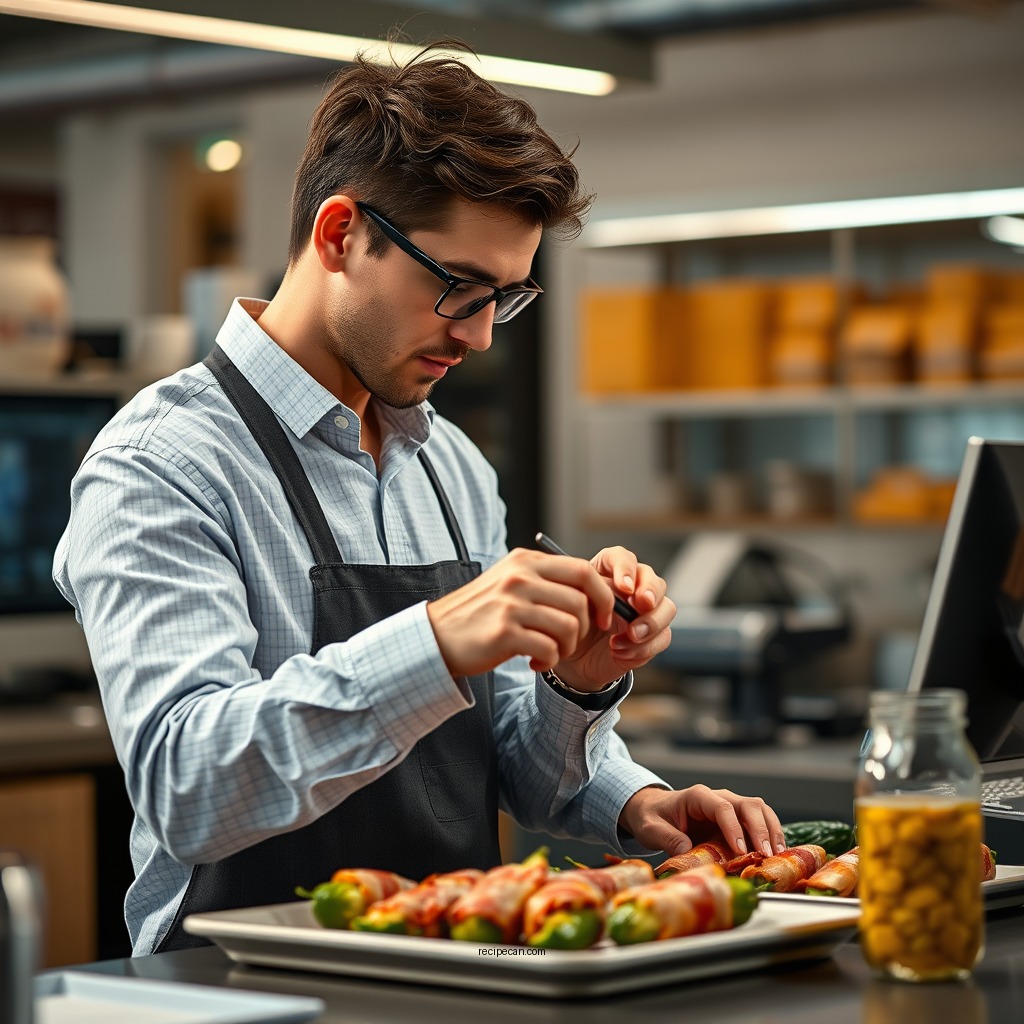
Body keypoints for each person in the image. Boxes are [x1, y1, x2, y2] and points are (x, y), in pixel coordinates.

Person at [54, 43, 784, 957]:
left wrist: (595, 720)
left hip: (457, 973)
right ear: (339, 235)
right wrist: (436, 642)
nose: (479, 337)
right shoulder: (163, 462)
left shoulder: (452, 466)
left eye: (503, 299)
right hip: (242, 989)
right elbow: (187, 786)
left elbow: (507, 761)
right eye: (458, 288)